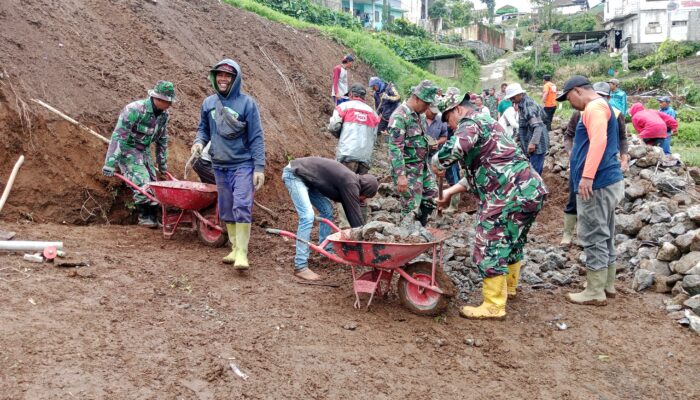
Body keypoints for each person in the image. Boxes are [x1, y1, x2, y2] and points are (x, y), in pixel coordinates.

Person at [432, 87, 547, 319]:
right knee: (512, 240)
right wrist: (448, 193)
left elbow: (455, 148)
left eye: (448, 119)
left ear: (457, 109)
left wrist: (437, 161)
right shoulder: (487, 123)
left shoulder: (470, 122)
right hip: (529, 191)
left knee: (489, 244)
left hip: (508, 194)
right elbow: (480, 173)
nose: (449, 126)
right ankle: (509, 289)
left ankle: (494, 305)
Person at [557, 76, 625, 306]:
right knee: (605, 232)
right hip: (607, 180)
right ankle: (607, 284)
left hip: (597, 183)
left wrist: (587, 176)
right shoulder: (603, 106)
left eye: (568, 98)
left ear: (577, 91)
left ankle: (595, 291)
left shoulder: (594, 107)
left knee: (594, 234)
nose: (569, 104)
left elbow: (598, 141)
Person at [192, 59, 266, 270]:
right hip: (219, 164)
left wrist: (259, 167)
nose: (223, 79)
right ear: (214, 78)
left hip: (243, 163)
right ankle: (234, 248)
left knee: (241, 204)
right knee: (226, 208)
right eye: (220, 75)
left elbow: (256, 137)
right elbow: (203, 129)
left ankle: (243, 252)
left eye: (228, 76)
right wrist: (199, 142)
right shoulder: (208, 103)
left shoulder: (247, 104)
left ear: (236, 79)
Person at [282, 157, 379, 281]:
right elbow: (355, 218)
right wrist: (365, 242)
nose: (363, 200)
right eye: (365, 197)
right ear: (365, 188)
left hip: (309, 179)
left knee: (327, 210)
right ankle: (300, 266)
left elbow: (352, 209)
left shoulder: (352, 181)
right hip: (295, 174)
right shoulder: (351, 183)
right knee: (307, 216)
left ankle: (325, 251)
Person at [560, 81, 630, 247]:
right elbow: (568, 136)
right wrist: (572, 153)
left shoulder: (603, 110)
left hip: (596, 176)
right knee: (573, 200)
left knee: (596, 237)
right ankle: (567, 233)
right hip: (583, 169)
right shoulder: (580, 113)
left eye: (604, 97)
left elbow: (617, 138)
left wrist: (624, 156)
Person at [102, 80, 176, 228]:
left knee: (154, 184)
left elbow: (162, 140)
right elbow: (119, 135)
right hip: (128, 149)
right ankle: (144, 217)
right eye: (168, 101)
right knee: (142, 181)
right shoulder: (134, 110)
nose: (170, 105)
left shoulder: (164, 115)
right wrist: (110, 163)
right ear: (158, 99)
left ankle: (154, 217)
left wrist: (162, 166)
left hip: (144, 150)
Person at [388, 80, 439, 225]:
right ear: (417, 98)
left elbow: (420, 137)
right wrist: (401, 175)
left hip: (422, 167)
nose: (427, 108)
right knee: (410, 206)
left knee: (431, 197)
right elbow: (395, 148)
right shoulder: (400, 116)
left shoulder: (420, 115)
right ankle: (407, 235)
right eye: (426, 104)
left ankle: (420, 228)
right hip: (408, 171)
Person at [328, 83, 380, 225]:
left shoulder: (344, 107)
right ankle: (362, 226)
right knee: (361, 192)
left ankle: (346, 228)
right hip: (365, 157)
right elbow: (375, 136)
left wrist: (342, 135)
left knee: (344, 190)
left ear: (351, 95)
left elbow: (333, 126)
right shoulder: (373, 113)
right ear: (363, 97)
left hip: (346, 154)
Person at [505, 83, 549, 175]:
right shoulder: (521, 104)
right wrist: (514, 139)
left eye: (512, 97)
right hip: (530, 141)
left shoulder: (528, 105)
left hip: (537, 144)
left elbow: (538, 126)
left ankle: (537, 187)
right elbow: (523, 125)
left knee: (534, 172)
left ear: (519, 94)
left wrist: (533, 143)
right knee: (531, 169)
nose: (511, 100)